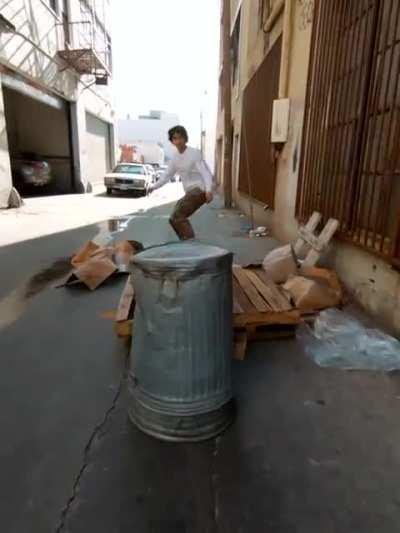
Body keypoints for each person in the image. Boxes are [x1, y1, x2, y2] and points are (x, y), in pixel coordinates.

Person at [147, 125, 213, 240]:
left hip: (200, 190)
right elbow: (166, 176)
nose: (178, 141)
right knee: (173, 219)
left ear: (185, 139)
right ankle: (185, 240)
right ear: (172, 141)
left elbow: (205, 173)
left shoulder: (194, 153)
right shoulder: (175, 158)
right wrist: (153, 187)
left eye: (180, 138)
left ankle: (191, 243)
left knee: (178, 216)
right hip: (190, 192)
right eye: (175, 138)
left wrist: (208, 191)